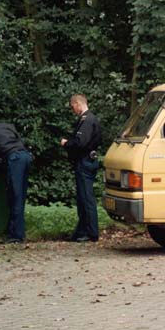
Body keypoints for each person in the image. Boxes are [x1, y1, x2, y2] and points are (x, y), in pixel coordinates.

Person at [61, 94, 102, 242]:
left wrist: (66, 144)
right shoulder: (89, 119)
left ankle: (91, 232)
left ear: (78, 104)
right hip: (87, 160)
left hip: (85, 161)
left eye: (73, 107)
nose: (73, 110)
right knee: (83, 198)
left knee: (86, 198)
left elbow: (80, 143)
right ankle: (82, 230)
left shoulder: (87, 120)